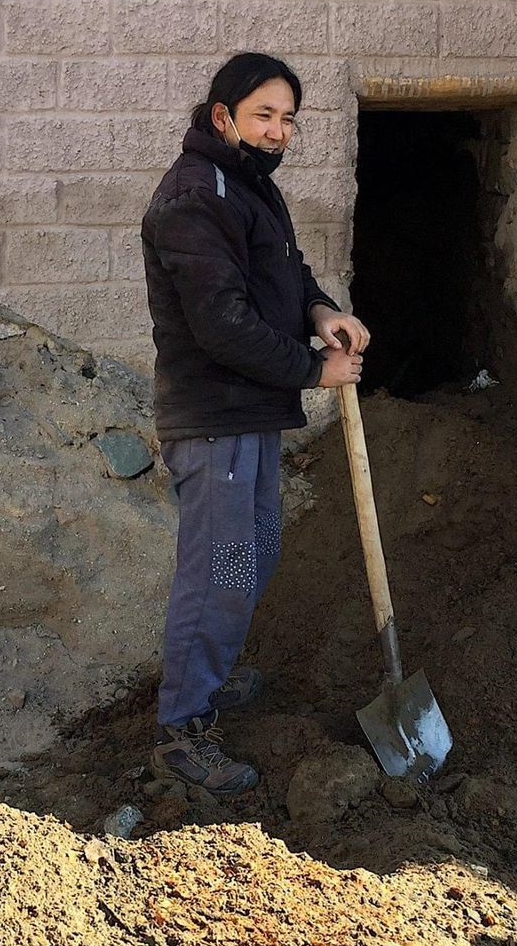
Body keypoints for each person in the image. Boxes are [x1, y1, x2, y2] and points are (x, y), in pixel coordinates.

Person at [140, 52, 370, 798]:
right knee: (219, 572)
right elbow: (222, 325)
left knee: (253, 557)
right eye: (263, 115)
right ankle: (182, 726)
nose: (278, 131)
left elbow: (286, 273)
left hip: (250, 415)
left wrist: (322, 312)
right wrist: (313, 370)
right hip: (215, 420)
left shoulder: (249, 186)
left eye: (288, 119)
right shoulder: (194, 197)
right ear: (223, 117)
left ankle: (209, 671)